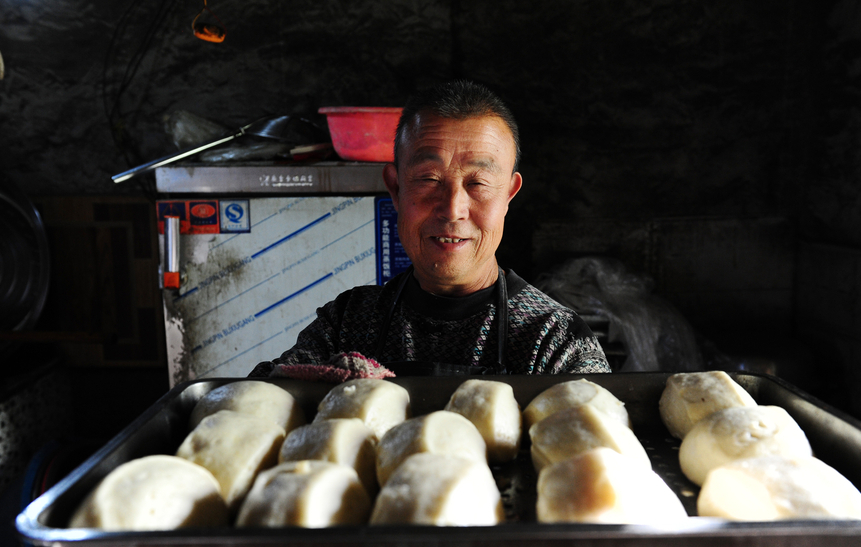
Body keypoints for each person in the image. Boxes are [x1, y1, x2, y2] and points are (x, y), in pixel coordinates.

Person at [249, 80, 610, 377]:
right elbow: (263, 403)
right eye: (429, 179)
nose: (453, 209)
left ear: (509, 195)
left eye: (478, 183)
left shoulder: (553, 339)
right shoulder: (349, 323)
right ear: (395, 188)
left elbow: (600, 447)